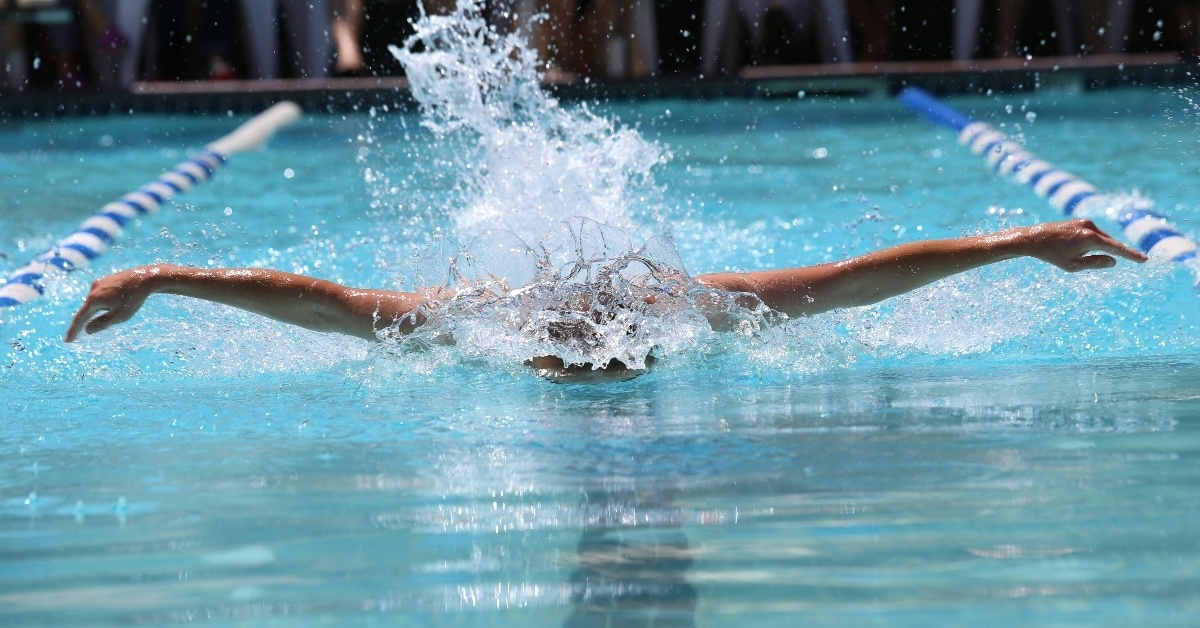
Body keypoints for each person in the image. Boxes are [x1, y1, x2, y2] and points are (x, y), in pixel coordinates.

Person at [64, 219, 1146, 376]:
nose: (597, 358)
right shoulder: (476, 321)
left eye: (607, 340)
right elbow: (322, 299)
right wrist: (157, 273)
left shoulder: (694, 309)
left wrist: (1023, 243)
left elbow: (865, 279)